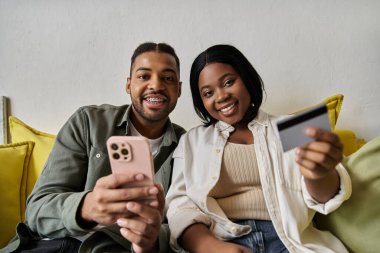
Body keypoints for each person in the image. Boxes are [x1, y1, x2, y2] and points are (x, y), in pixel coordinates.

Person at [1, 42, 185, 253]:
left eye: (168, 78)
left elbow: (183, 226)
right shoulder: (88, 122)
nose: (156, 85)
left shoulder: (188, 145)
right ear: (128, 85)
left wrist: (151, 241)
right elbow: (37, 210)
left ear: (179, 89)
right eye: (144, 76)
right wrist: (87, 207)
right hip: (54, 243)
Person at [165, 44, 352, 253]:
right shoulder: (193, 140)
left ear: (246, 78)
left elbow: (329, 198)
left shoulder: (294, 126)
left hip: (290, 241)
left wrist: (320, 174)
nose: (221, 96)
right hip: (223, 240)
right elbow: (179, 205)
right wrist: (209, 247)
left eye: (228, 82)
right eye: (208, 93)